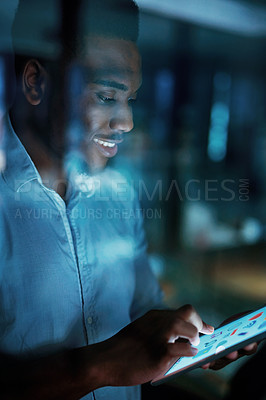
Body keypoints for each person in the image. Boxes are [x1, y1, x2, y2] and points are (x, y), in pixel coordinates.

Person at [0, 1, 257, 399]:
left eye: (130, 100)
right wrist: (97, 365)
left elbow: (142, 314)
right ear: (35, 82)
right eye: (106, 97)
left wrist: (198, 342)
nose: (127, 123)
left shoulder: (117, 193)